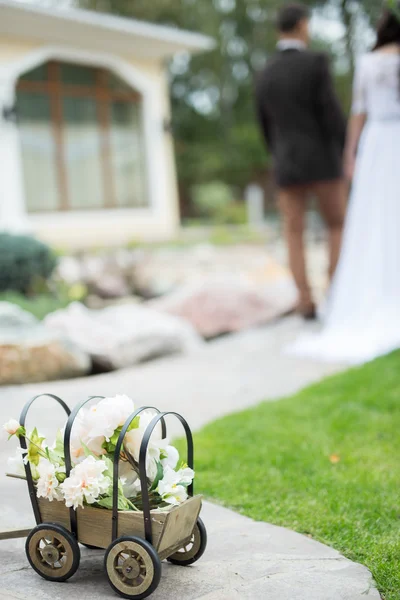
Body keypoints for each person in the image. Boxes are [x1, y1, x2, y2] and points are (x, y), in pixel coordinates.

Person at [288, 2, 400, 364]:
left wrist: (351, 153)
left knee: (372, 221)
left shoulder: (369, 62)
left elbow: (357, 112)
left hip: (379, 143)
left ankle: (330, 298)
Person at [255, 3, 347, 320]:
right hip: (323, 161)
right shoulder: (315, 62)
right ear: (303, 26)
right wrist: (348, 148)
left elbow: (264, 125)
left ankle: (305, 301)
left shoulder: (265, 71)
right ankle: (335, 292)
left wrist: (278, 154)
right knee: (337, 225)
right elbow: (330, 114)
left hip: (286, 164)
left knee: (294, 234)